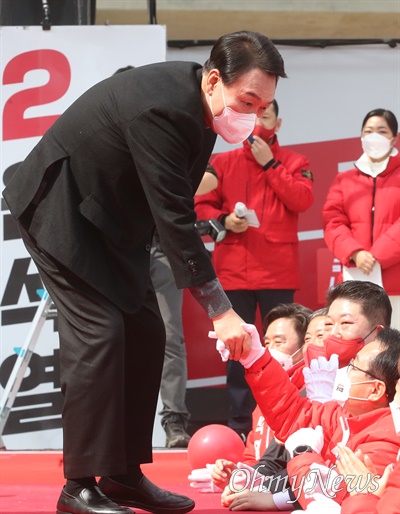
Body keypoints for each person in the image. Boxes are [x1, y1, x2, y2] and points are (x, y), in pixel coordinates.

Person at [2, 31, 286, 514]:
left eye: (264, 107)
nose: (253, 117)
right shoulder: (164, 109)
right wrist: (219, 309)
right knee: (101, 333)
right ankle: (78, 486)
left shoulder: (205, 112)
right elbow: (174, 216)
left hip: (113, 223)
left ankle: (121, 476)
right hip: (63, 212)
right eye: (248, 101)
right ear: (214, 80)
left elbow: (167, 204)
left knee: (145, 330)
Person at [195, 99, 314, 439]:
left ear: (278, 123)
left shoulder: (295, 162)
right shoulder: (223, 162)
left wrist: (270, 164)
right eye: (255, 115)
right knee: (237, 350)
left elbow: (301, 200)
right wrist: (225, 221)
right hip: (233, 270)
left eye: (267, 115)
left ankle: (285, 421)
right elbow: (200, 207)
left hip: (278, 271)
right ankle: (240, 425)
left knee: (284, 348)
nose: (261, 121)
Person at [221, 280, 393, 511]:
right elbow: (291, 415)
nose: (334, 334)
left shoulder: (390, 426)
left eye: (346, 323)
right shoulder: (342, 403)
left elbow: (338, 497)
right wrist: (253, 357)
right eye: (330, 324)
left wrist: (303, 455)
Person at [152, 164, 219, 448]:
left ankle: (174, 420)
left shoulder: (171, 141)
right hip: (120, 250)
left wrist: (165, 174)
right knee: (113, 338)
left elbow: (210, 179)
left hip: (161, 248)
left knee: (170, 338)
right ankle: (113, 422)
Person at [323, 108, 400, 330]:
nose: (374, 136)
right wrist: (355, 252)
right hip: (355, 277)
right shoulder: (344, 179)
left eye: (381, 131)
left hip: (395, 280)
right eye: (368, 131)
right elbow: (332, 221)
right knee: (358, 343)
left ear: (394, 137)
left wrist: (377, 255)